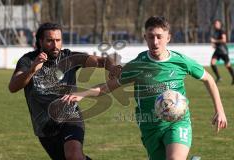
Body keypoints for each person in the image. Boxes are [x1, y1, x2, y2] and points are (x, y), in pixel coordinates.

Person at [62, 16, 228, 160]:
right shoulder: (137, 66)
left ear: (168, 37)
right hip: (150, 126)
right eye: (151, 37)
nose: (155, 42)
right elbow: (107, 87)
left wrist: (219, 110)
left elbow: (209, 79)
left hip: (178, 122)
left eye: (159, 37)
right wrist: (83, 94)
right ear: (145, 37)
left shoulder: (181, 61)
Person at [8, 22, 118, 160]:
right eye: (50, 41)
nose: (55, 45)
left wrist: (112, 67)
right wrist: (31, 70)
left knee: (74, 156)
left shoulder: (69, 58)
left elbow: (102, 61)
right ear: (40, 41)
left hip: (70, 117)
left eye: (58, 40)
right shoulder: (28, 60)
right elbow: (13, 87)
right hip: (44, 127)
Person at [210, 19, 234, 84]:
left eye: (217, 24)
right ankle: (218, 77)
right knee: (212, 63)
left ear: (220, 25)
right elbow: (215, 41)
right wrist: (214, 44)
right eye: (215, 24)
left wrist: (215, 41)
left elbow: (224, 40)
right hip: (217, 50)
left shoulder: (221, 31)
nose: (216, 25)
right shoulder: (215, 32)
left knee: (227, 65)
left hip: (223, 50)